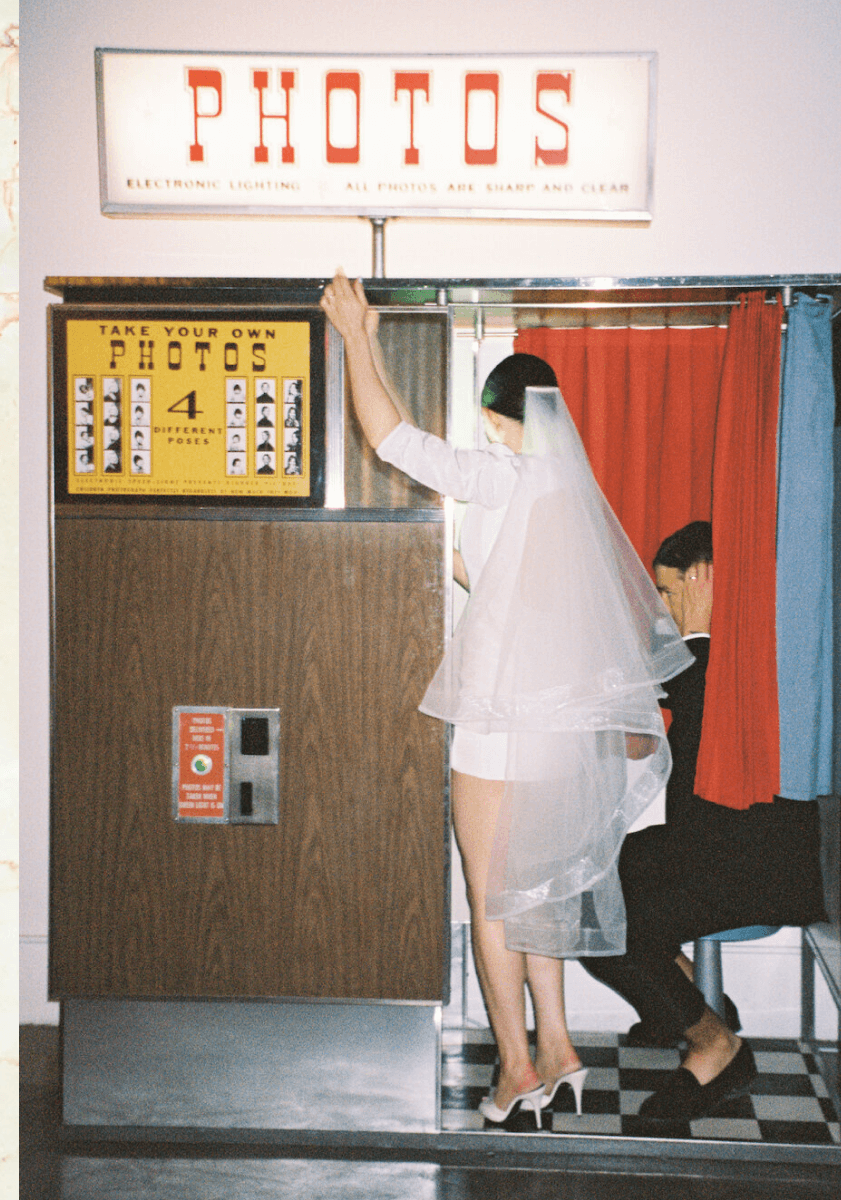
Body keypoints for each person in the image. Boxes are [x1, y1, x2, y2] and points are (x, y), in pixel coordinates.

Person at [320, 271, 692, 1127]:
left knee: (491, 896)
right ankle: (560, 1046)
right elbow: (527, 596)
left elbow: (390, 438)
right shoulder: (573, 498)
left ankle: (516, 1066)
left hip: (497, 721)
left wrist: (357, 337)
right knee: (539, 890)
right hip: (561, 729)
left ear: (494, 420)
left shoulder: (500, 476)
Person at [580, 521, 827, 1122]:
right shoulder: (709, 658)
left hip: (757, 862)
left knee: (603, 922)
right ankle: (703, 1011)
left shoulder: (726, 654)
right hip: (708, 842)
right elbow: (647, 720)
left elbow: (659, 688)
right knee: (584, 890)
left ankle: (715, 1045)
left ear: (703, 576)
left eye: (667, 592)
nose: (663, 608)